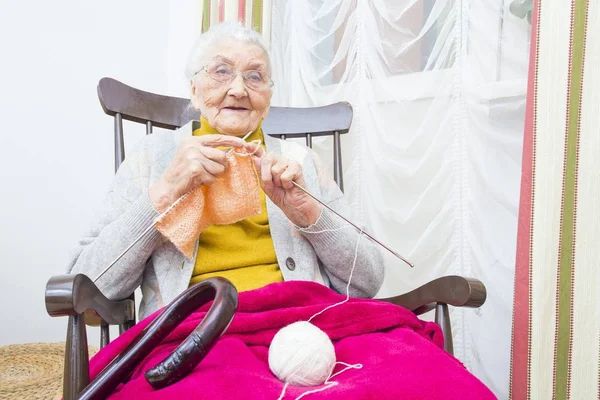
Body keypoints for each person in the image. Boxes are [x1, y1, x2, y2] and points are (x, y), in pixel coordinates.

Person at [68, 22, 384, 320]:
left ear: (268, 98)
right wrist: (165, 191)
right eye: (221, 71)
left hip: (302, 327)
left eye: (255, 77)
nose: (238, 89)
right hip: (195, 338)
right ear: (193, 90)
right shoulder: (153, 158)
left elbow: (366, 281)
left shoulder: (301, 162)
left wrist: (311, 215)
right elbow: (89, 283)